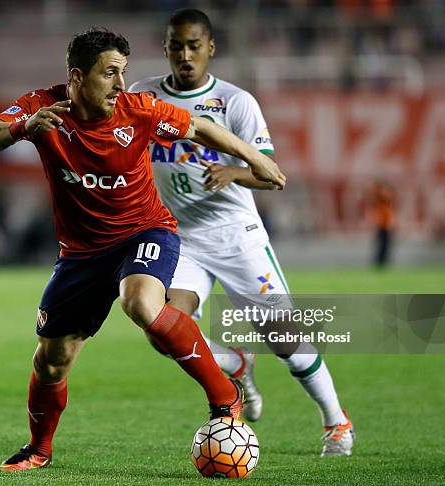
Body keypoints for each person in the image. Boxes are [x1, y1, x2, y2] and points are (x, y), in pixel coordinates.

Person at [0, 28, 286, 472]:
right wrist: (23, 128)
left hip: (145, 232)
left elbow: (201, 127)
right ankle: (39, 449)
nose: (121, 85)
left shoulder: (138, 110)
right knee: (52, 359)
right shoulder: (43, 107)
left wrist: (255, 158)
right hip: (80, 254)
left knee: (139, 302)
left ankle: (224, 394)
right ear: (77, 77)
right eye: (110, 74)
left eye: (124, 73)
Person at [129, 9, 354, 456]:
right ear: (166, 48)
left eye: (194, 45)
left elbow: (271, 173)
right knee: (161, 327)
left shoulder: (236, 102)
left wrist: (235, 171)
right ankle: (233, 362)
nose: (185, 55)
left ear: (211, 48)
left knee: (285, 338)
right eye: (177, 46)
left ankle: (336, 421)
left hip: (235, 235)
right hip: (179, 237)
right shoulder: (144, 95)